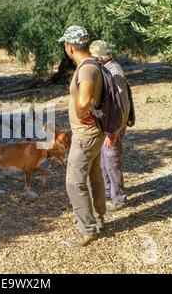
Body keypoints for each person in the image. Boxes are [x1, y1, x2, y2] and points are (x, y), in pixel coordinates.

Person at [59, 26, 106, 247]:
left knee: (74, 182)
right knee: (94, 175)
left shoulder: (86, 69)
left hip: (86, 135)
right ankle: (99, 218)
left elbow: (85, 100)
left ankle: (88, 230)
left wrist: (80, 112)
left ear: (69, 47)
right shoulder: (95, 64)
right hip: (94, 132)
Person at [90, 40, 134, 212]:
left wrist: (114, 131)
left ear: (101, 57)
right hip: (108, 126)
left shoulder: (114, 71)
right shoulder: (106, 68)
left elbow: (122, 104)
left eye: (94, 57)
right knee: (104, 161)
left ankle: (119, 199)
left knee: (111, 161)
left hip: (112, 128)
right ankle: (110, 193)